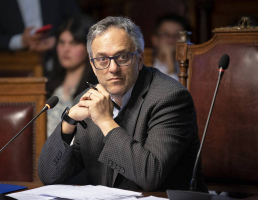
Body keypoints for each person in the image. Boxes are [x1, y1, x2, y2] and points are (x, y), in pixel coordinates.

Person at [38, 16, 207, 192]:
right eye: (102, 59)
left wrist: (105, 121)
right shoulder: (88, 100)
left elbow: (150, 176)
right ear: (93, 65)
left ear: (140, 59)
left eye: (123, 57)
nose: (112, 68)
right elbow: (49, 176)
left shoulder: (170, 98)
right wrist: (68, 121)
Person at [47, 14, 98, 136]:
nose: (66, 49)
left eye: (73, 43)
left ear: (88, 48)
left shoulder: (95, 91)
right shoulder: (47, 87)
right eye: (62, 42)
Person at [0, 0, 80, 51]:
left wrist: (58, 40)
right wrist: (21, 41)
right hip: (15, 62)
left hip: (57, 57)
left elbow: (76, 20)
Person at [151, 14, 190, 81]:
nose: (171, 40)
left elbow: (177, 91)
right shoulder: (143, 66)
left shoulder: (191, 70)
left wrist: (170, 65)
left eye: (177, 35)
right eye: (165, 34)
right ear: (155, 39)